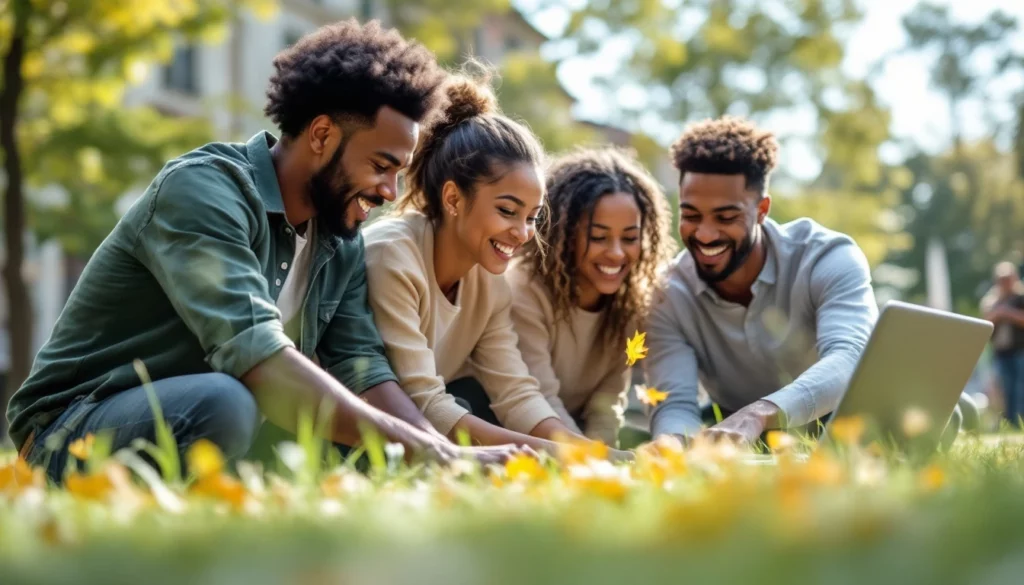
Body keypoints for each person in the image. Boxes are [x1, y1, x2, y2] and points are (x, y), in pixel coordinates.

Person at [6, 20, 524, 482]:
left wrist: (443, 454)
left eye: (398, 174)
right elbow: (257, 357)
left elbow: (362, 368)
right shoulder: (203, 191)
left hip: (205, 419)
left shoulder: (338, 238)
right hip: (70, 429)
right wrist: (432, 454)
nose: (390, 191)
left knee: (356, 434)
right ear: (322, 135)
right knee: (229, 400)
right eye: (380, 166)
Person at [363, 74, 622, 455]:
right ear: (453, 199)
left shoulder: (490, 282)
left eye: (532, 217)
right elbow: (422, 401)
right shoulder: (393, 256)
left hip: (411, 435)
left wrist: (591, 454)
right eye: (507, 211)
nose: (523, 232)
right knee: (466, 401)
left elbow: (515, 392)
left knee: (472, 396)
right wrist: (564, 456)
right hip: (346, 428)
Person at [643, 116, 881, 444]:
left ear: (762, 210)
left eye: (726, 217)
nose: (705, 234)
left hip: (840, 421)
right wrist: (671, 445)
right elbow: (675, 402)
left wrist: (758, 414)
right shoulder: (668, 294)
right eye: (691, 216)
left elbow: (850, 358)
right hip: (736, 430)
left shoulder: (826, 257)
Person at [506, 146, 676, 447]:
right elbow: (539, 397)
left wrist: (603, 451)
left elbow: (607, 403)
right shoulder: (524, 289)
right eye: (598, 237)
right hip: (512, 423)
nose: (617, 253)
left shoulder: (630, 303)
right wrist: (593, 458)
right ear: (564, 232)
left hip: (569, 428)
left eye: (630, 238)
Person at [981, 261, 1024, 427]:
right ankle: (1010, 423)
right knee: (1005, 390)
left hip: (1020, 350)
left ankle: (1020, 421)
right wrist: (997, 314)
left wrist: (1008, 314)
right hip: (1000, 352)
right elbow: (985, 323)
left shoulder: (1020, 298)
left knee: (1020, 388)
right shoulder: (992, 301)